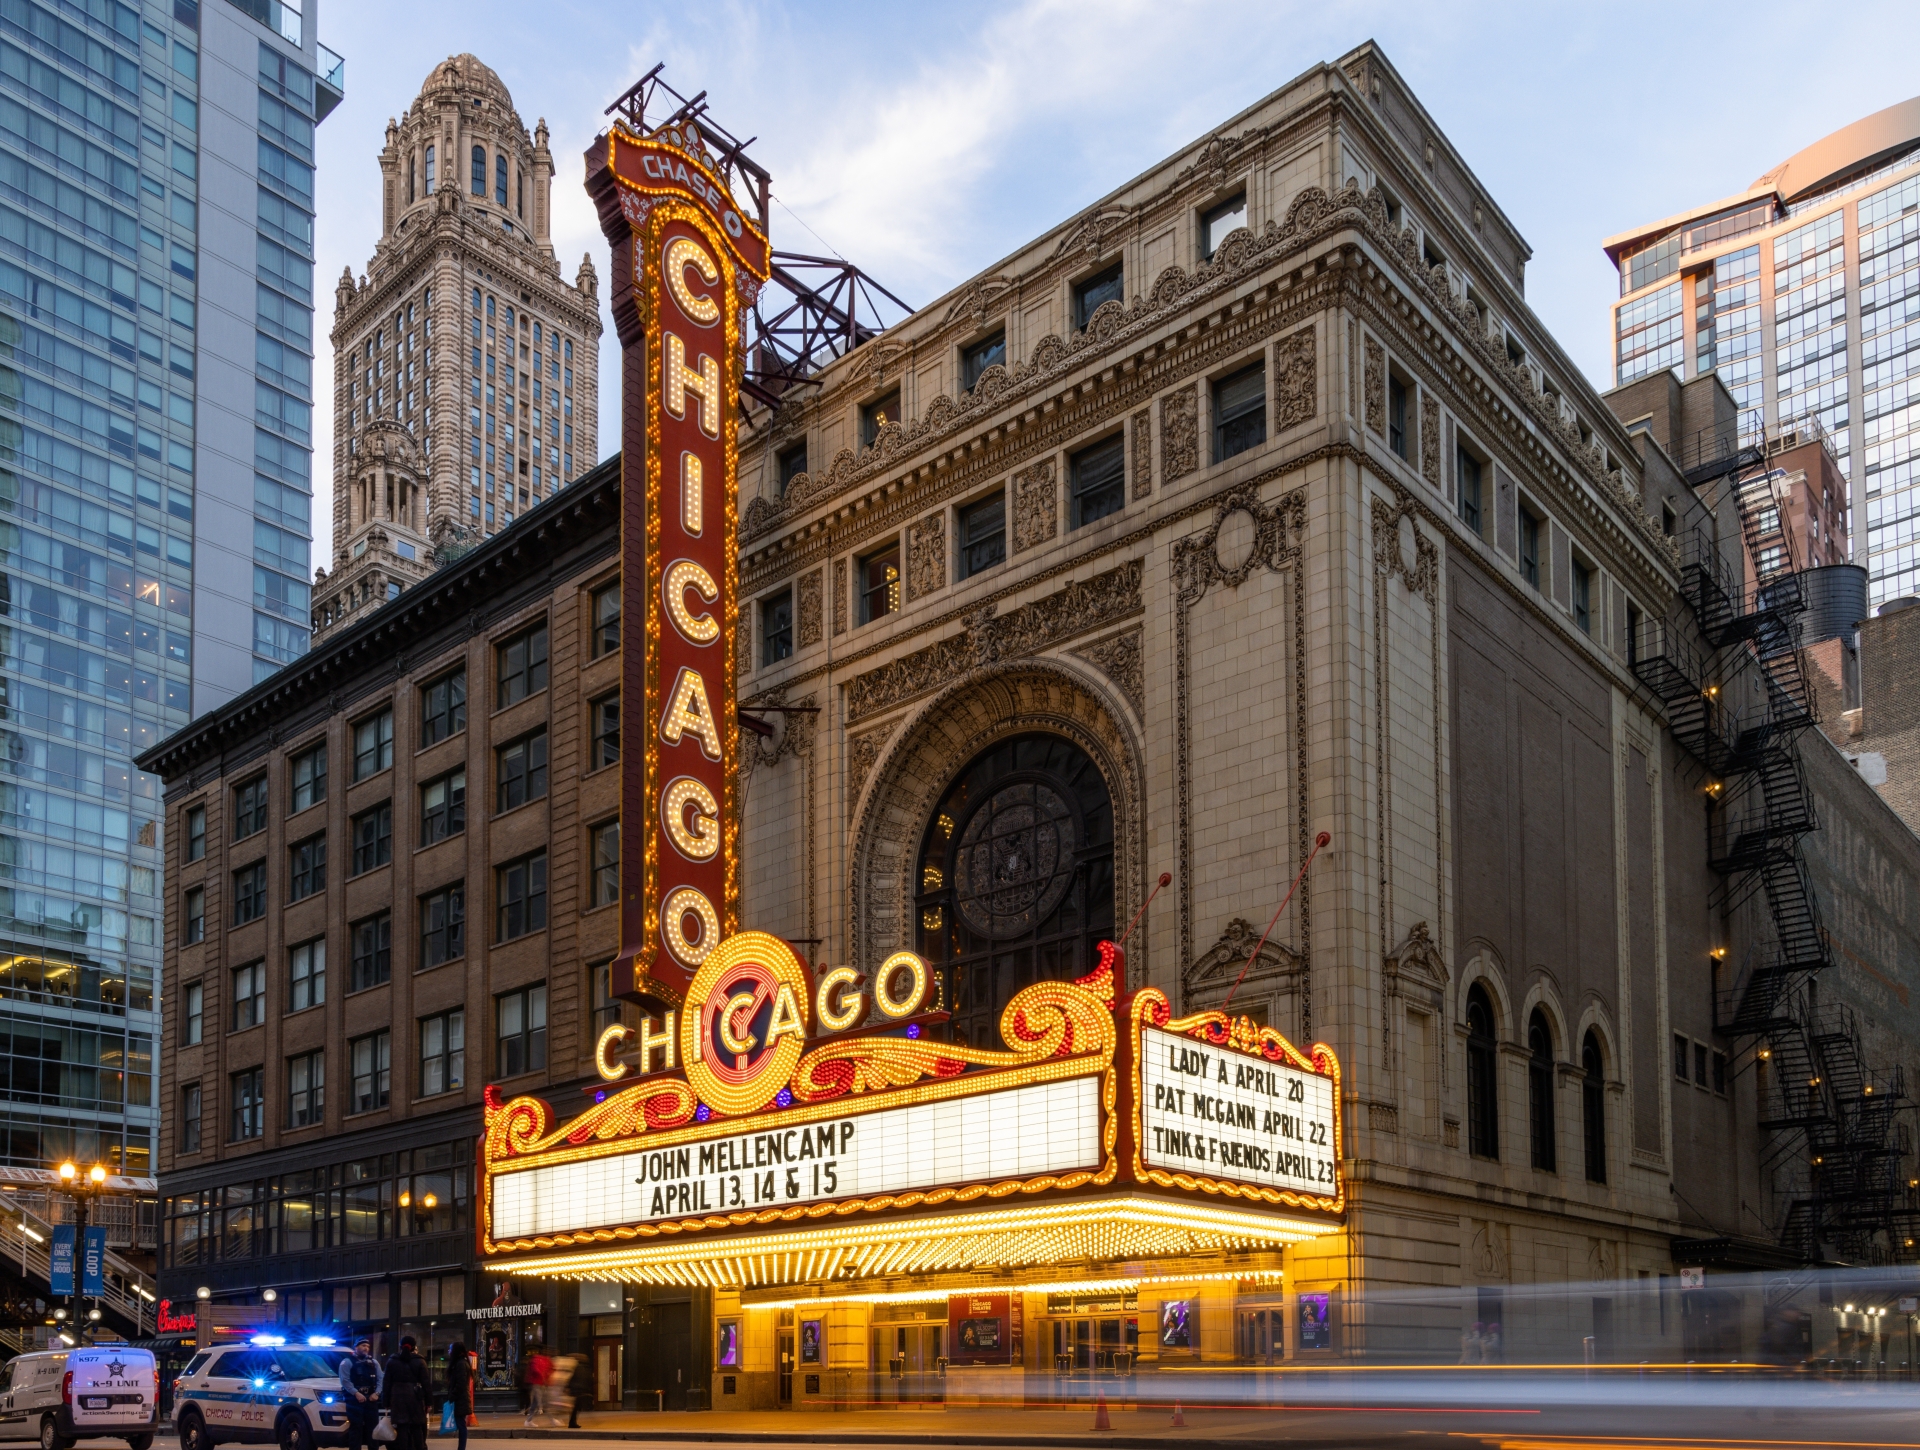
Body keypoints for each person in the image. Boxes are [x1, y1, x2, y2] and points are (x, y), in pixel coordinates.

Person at [383, 1335, 431, 1450]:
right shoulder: (420, 1361)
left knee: (402, 1427)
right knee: (417, 1427)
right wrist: (429, 1402)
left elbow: (386, 1383)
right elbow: (426, 1383)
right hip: (415, 1397)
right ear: (414, 1347)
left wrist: (386, 1402)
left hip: (397, 1397)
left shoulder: (392, 1361)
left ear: (400, 1346)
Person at [340, 1338, 384, 1450]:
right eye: (363, 1345)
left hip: (371, 1400)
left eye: (368, 1346)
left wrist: (377, 1393)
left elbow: (381, 1379)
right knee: (356, 1429)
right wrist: (356, 1393)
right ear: (356, 1347)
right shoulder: (347, 1362)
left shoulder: (374, 1363)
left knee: (373, 1429)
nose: (366, 1348)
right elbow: (345, 1380)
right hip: (354, 1401)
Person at [444, 1343, 474, 1450]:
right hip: (460, 1398)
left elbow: (460, 1383)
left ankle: (461, 1448)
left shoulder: (461, 1364)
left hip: (460, 1399)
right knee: (460, 1424)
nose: (449, 1351)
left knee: (461, 1424)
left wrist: (452, 1396)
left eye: (451, 1349)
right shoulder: (460, 1363)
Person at [524, 1345, 552, 1427]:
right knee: (542, 1401)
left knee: (536, 1402)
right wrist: (543, 1377)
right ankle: (550, 1418)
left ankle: (529, 1420)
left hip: (539, 1383)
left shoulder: (540, 1360)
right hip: (537, 1383)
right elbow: (536, 1370)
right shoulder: (537, 1360)